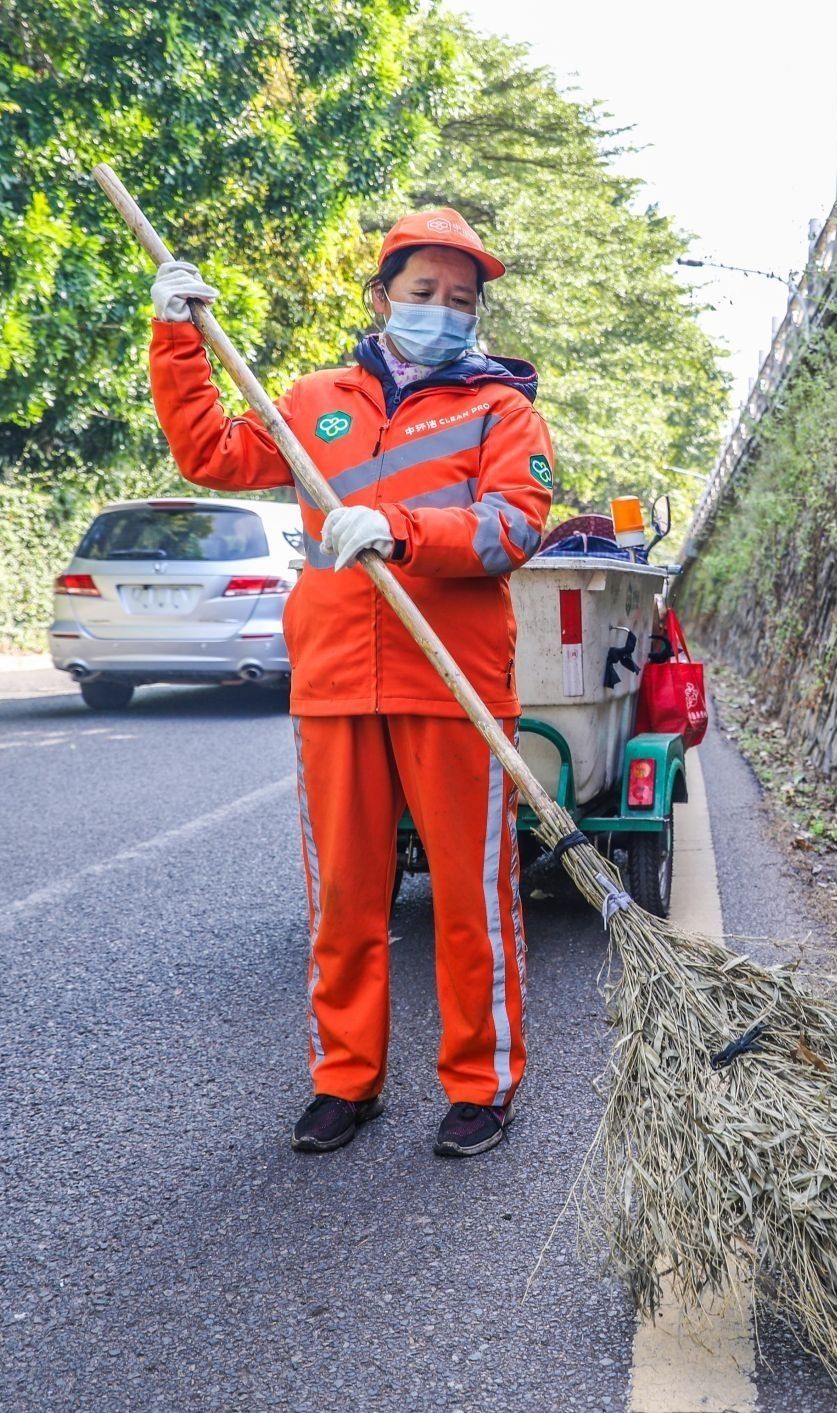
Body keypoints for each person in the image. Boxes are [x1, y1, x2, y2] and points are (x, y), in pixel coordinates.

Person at [146, 209, 554, 1157]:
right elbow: (211, 453)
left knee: (471, 896)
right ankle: (346, 1079)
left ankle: (482, 1085)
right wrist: (178, 339)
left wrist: (404, 531)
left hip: (450, 685)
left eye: (461, 300)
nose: (443, 313)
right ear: (380, 298)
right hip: (332, 681)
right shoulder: (310, 399)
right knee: (344, 900)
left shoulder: (502, 411)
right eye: (424, 294)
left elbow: (514, 527)